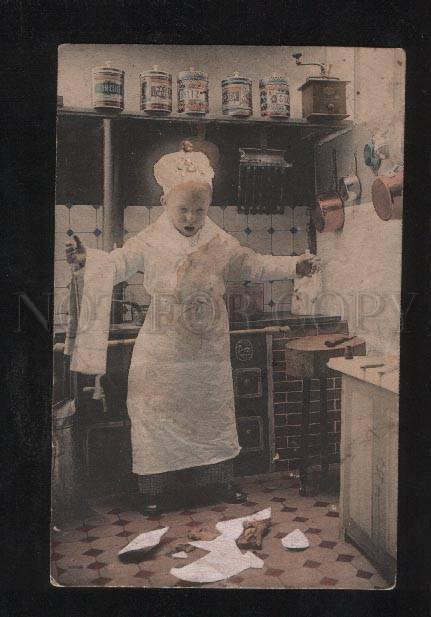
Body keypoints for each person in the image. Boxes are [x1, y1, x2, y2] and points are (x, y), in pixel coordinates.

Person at [65, 146, 320, 516]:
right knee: (154, 414)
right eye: (183, 209)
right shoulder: (149, 240)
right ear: (165, 201)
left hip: (206, 344)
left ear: (208, 206)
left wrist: (296, 265)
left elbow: (254, 265)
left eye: (199, 210)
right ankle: (152, 491)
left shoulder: (219, 241)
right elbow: (117, 264)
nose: (191, 217)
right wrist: (88, 259)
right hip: (162, 345)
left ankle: (218, 483)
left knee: (211, 412)